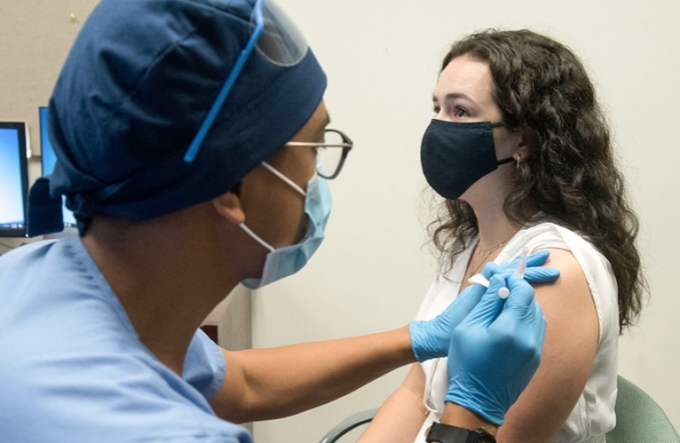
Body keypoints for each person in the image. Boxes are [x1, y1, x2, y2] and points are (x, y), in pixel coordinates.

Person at [0, 3, 558, 443]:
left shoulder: (37, 280)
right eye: (313, 147)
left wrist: (419, 339)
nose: (318, 173)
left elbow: (240, 383)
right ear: (232, 189)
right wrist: (471, 413)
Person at [358, 29, 645, 443]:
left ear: (524, 140)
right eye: (437, 108)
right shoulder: (469, 246)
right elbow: (417, 395)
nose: (438, 128)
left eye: (460, 112)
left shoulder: (555, 271)